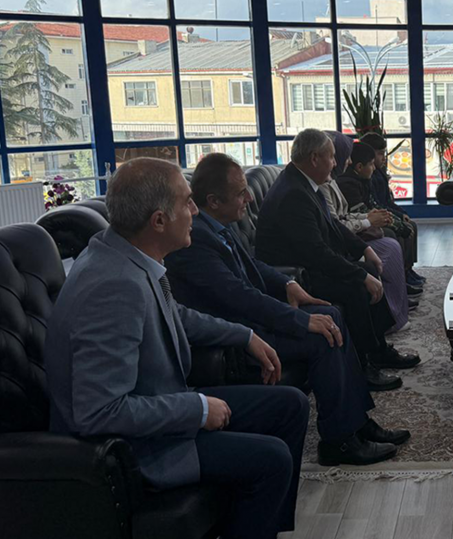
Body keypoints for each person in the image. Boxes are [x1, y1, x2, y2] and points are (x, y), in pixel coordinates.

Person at [44, 158, 309, 539]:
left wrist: (244, 335)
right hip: (137, 449)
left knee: (290, 405)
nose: (196, 211)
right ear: (158, 221)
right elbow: (99, 412)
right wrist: (196, 409)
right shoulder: (114, 286)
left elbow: (175, 315)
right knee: (273, 459)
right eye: (187, 202)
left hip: (161, 407)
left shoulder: (124, 253)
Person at [165, 153, 409, 466]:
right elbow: (239, 297)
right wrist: (300, 321)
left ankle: (357, 423)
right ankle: (338, 442)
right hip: (237, 339)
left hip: (252, 319)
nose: (249, 198)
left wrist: (287, 283)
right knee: (323, 334)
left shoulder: (216, 226)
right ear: (213, 201)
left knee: (332, 317)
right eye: (241, 193)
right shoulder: (196, 239)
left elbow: (251, 265)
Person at [254, 128, 420, 393]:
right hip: (295, 276)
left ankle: (378, 351)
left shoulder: (304, 182)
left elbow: (332, 225)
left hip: (308, 265)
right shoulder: (293, 193)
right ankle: (363, 366)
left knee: (368, 269)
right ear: (314, 158)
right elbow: (316, 252)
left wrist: (364, 249)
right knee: (357, 286)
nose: (335, 163)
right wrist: (361, 275)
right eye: (331, 157)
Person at [335, 140, 417, 330]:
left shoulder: (360, 179)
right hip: (351, 237)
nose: (347, 162)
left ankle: (403, 283)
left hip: (358, 227)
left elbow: (368, 208)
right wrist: (373, 220)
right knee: (390, 236)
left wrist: (389, 217)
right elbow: (338, 222)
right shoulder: (345, 183)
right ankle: (392, 310)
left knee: (397, 234)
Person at [359, 132, 424, 288]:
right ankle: (401, 273)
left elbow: (387, 201)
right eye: (380, 154)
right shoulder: (369, 176)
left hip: (387, 212)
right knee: (398, 232)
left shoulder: (380, 172)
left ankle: (408, 268)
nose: (383, 158)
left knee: (412, 225)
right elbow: (376, 204)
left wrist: (401, 213)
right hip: (378, 216)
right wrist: (397, 217)